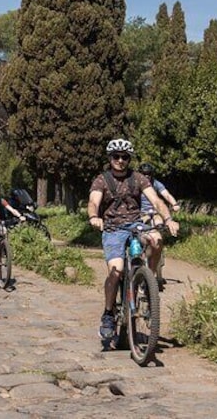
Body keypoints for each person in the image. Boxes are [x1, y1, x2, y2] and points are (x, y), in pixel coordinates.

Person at [87, 139, 180, 341]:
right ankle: (108, 314)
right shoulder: (102, 180)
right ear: (110, 158)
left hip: (136, 224)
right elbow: (94, 202)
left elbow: (156, 200)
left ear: (129, 159)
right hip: (113, 228)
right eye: (116, 157)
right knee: (117, 270)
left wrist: (168, 219)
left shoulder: (138, 178)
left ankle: (149, 282)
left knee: (156, 239)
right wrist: (94, 217)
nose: (120, 160)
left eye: (125, 157)